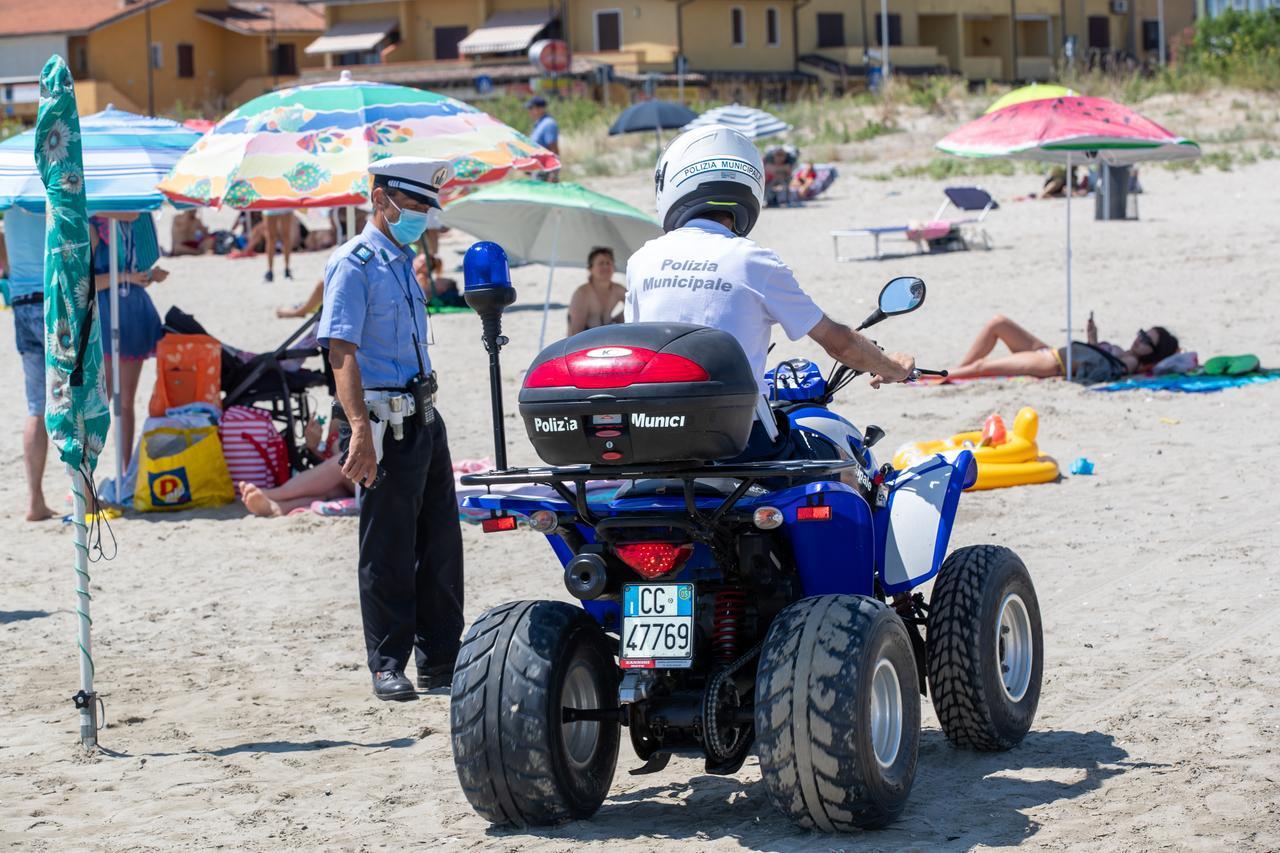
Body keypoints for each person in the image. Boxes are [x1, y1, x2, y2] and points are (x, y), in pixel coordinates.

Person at [625, 124, 915, 458]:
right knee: (846, 460)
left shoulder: (641, 260)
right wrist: (892, 367)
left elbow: (640, 346)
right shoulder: (753, 261)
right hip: (741, 438)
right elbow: (839, 342)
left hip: (652, 435)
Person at [318, 156, 464, 702]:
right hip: (382, 419)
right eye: (416, 205)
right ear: (381, 200)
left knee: (442, 542)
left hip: (423, 413)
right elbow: (341, 351)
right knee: (389, 547)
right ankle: (387, 662)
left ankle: (441, 659)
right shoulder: (353, 264)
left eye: (427, 206)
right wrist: (357, 429)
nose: (423, 215)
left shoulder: (401, 260)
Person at [89, 213, 167, 472]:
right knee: (104, 398)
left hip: (133, 310)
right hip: (107, 311)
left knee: (125, 400)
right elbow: (85, 281)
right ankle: (88, 472)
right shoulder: (93, 225)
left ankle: (124, 470)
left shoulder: (137, 222)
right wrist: (127, 277)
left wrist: (146, 276)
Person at [945, 313, 1179, 383]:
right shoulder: (1123, 353)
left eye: (1147, 342)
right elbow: (1096, 358)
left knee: (983, 366)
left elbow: (1104, 371)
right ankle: (956, 371)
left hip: (1052, 363)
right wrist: (1093, 339)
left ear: (1153, 354)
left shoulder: (1130, 363)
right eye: (1142, 334)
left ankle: (942, 376)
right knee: (998, 323)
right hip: (1051, 351)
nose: (1140, 340)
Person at [4, 208, 55, 520]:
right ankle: (87, 497)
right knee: (74, 399)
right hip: (52, 298)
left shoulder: (9, 199)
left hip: (20, 300)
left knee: (37, 406)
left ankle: (34, 500)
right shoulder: (51, 193)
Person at [239, 418, 352, 516]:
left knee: (343, 463)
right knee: (334, 489)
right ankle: (278, 508)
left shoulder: (360, 398)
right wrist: (315, 447)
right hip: (350, 480)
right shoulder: (344, 398)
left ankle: (274, 494)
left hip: (362, 476)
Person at [567, 246, 625, 335]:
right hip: (585, 341)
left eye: (608, 263)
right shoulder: (582, 294)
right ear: (590, 269)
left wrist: (619, 321)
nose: (605, 266)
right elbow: (574, 333)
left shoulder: (618, 290)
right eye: (601, 263)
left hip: (608, 339)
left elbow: (637, 305)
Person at [526, 95, 560, 182]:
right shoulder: (538, 124)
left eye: (531, 108)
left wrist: (554, 173)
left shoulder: (549, 124)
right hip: (537, 170)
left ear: (541, 109)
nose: (529, 111)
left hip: (545, 171)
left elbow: (554, 149)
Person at [261, 209, 296, 282]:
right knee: (271, 238)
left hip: (283, 204)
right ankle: (270, 270)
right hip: (271, 205)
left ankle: (286, 269)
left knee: (286, 236)